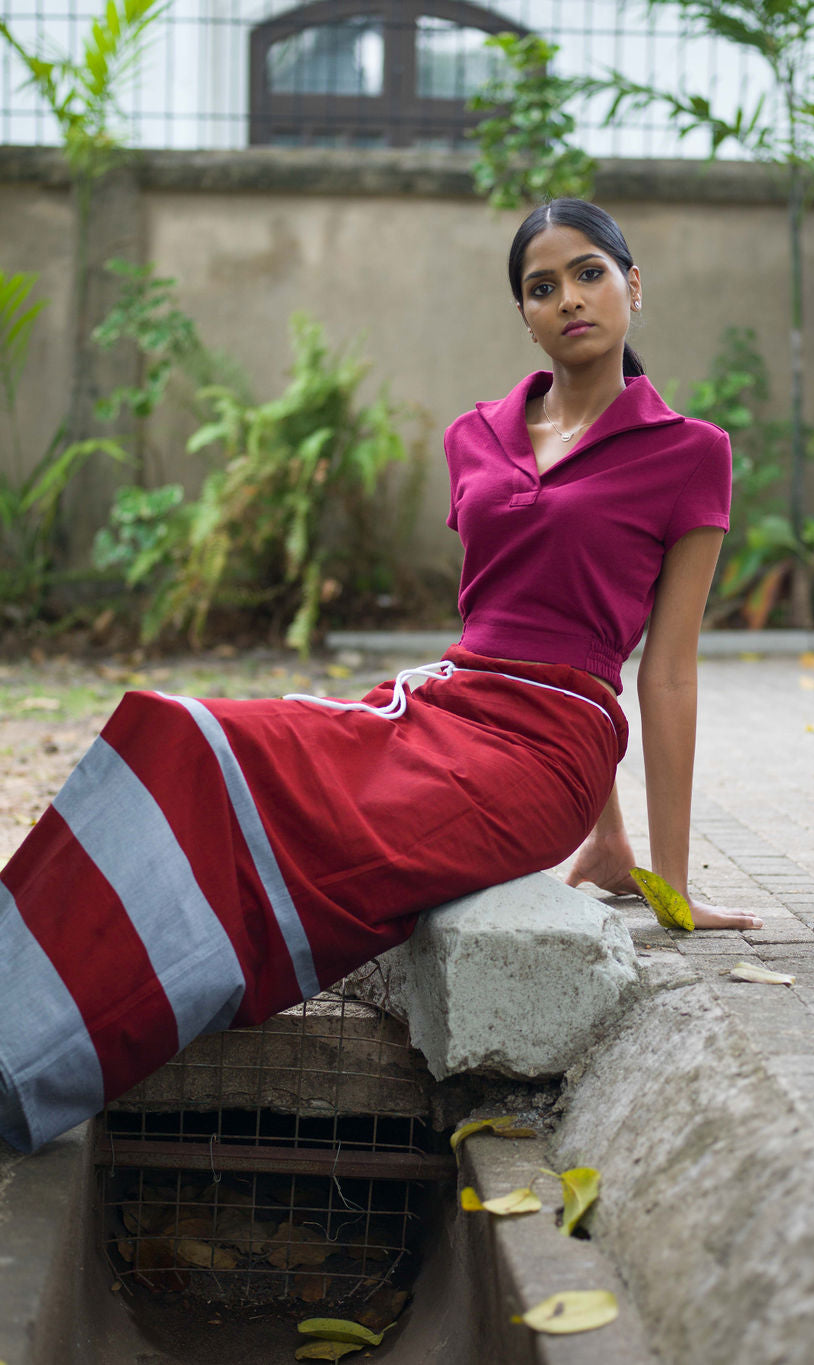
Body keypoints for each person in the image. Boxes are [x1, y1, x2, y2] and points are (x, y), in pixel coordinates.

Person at [0, 198, 760, 1156]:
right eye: (541, 286)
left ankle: (33, 1063)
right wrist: (606, 846)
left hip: (540, 756)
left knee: (329, 845)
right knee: (181, 732)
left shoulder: (690, 452)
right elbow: (518, 608)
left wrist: (666, 875)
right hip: (439, 702)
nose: (569, 297)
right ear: (522, 314)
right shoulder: (474, 438)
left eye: (590, 273)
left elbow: (663, 674)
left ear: (633, 285)